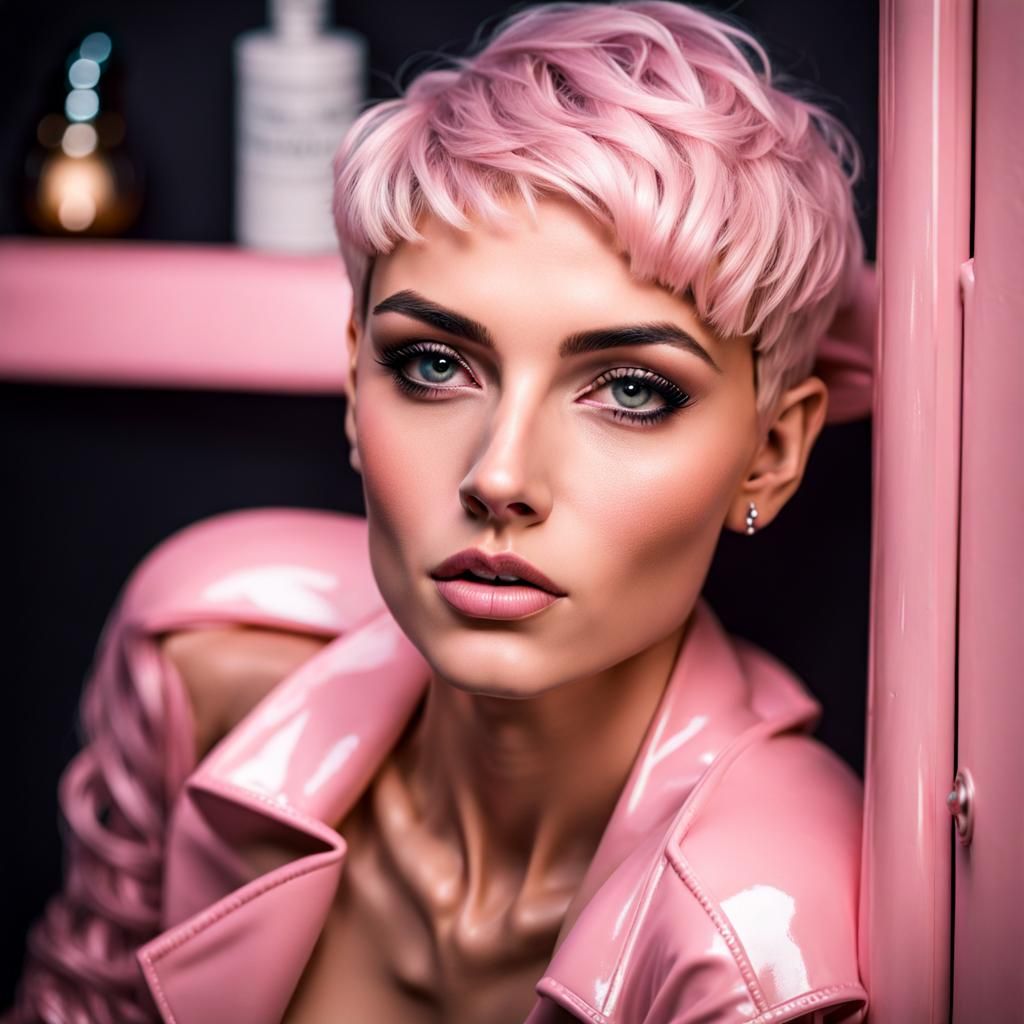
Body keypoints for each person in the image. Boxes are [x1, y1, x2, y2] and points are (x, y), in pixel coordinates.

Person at [7, 2, 877, 1021]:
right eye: (434, 364)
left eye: (632, 389)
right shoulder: (205, 656)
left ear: (769, 453)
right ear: (352, 382)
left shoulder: (764, 940)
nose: (500, 475)